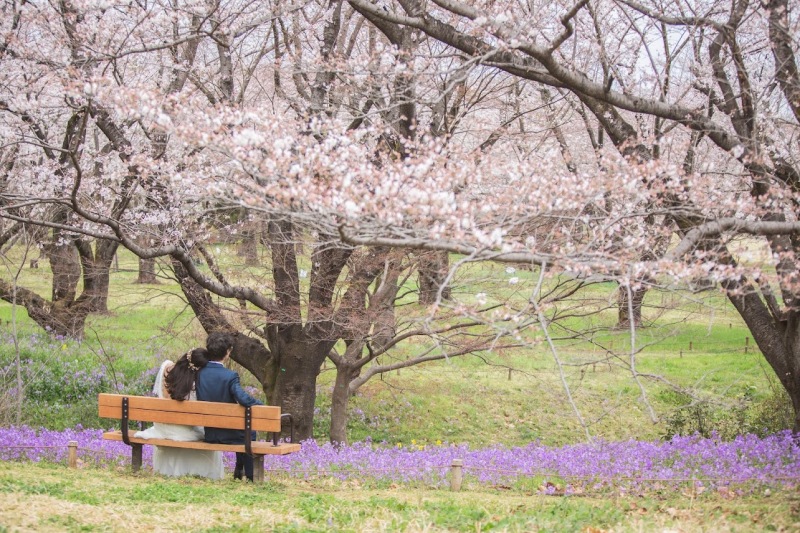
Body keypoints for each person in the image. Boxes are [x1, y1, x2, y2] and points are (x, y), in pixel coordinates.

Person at [134, 348, 225, 479]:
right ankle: (205, 474)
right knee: (207, 434)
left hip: (162, 428)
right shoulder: (194, 384)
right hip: (181, 432)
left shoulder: (166, 368)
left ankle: (167, 472)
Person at [196, 331, 263, 481]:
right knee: (248, 431)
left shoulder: (199, 373)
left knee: (242, 429)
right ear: (227, 352)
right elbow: (243, 399)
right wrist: (260, 404)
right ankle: (251, 475)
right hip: (229, 434)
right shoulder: (230, 376)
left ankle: (239, 470)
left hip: (211, 434)